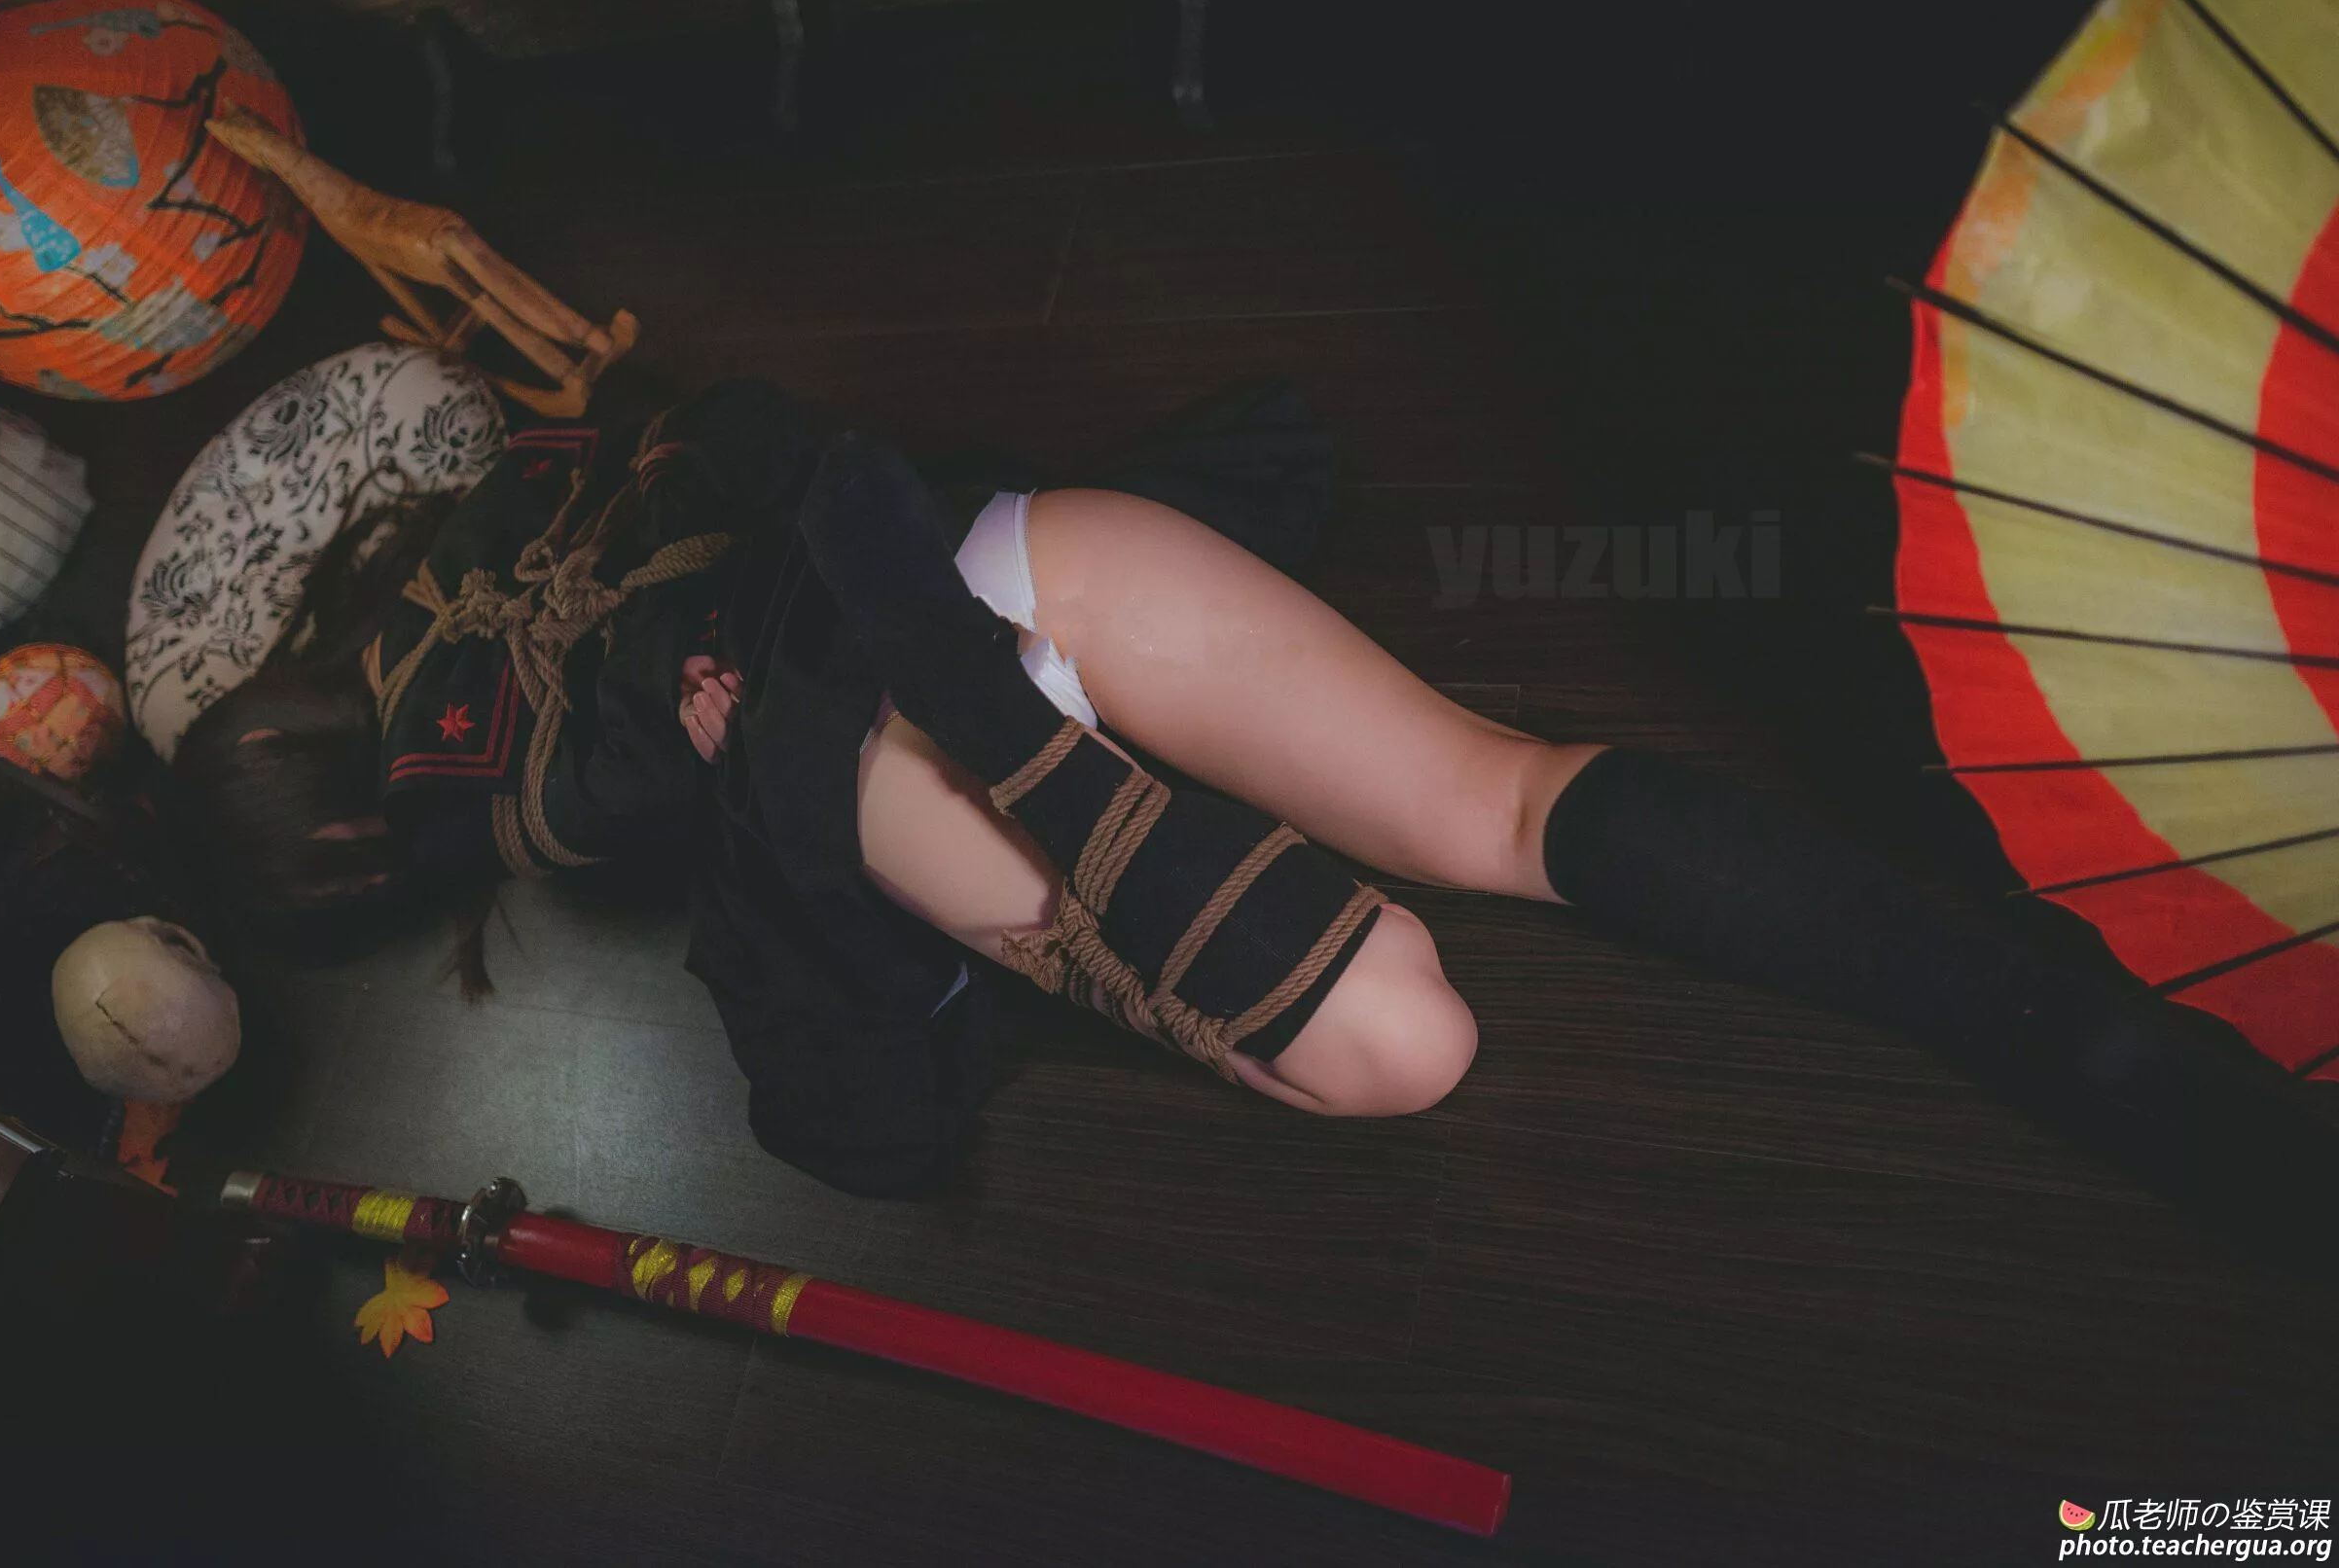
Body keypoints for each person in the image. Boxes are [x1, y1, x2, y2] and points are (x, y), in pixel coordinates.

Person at [177, 377, 2339, 1266]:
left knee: (1407, 1041)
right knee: (1502, 791)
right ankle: (2061, 1029)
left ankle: (992, 725)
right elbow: (737, 432)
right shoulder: (519, 477)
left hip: (869, 761)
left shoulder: (487, 807)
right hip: (985, 552)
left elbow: (772, 977)